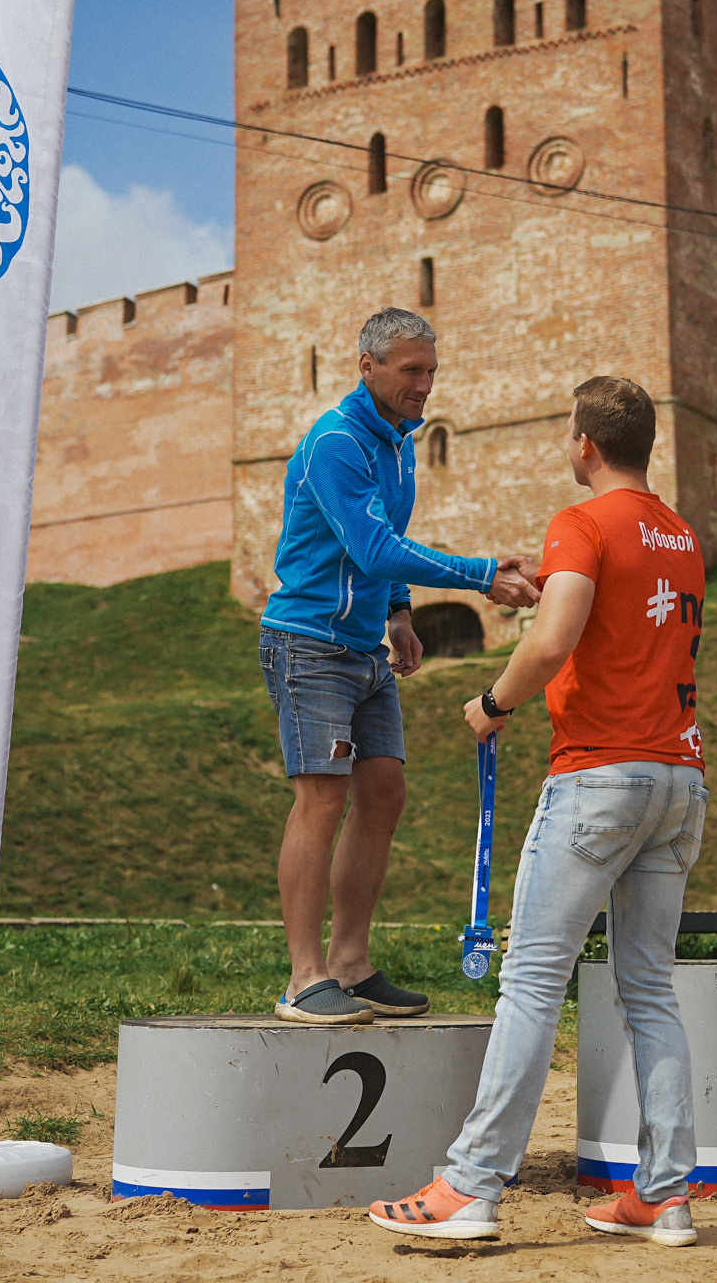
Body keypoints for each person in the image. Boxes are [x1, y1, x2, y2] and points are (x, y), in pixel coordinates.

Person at [370, 377, 710, 1245]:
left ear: (584, 443)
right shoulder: (682, 534)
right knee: (650, 994)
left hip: (598, 777)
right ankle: (664, 1194)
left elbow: (554, 637)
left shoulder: (582, 523)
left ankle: (471, 1186)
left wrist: (493, 702)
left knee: (530, 982)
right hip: (680, 779)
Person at [260, 308, 541, 1026]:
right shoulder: (337, 442)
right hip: (308, 644)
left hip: (363, 646)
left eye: (431, 372)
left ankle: (351, 966)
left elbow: (383, 544)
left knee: (383, 794)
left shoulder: (399, 444)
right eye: (411, 371)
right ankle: (302, 978)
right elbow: (373, 542)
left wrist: (398, 613)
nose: (424, 385)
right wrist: (480, 575)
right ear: (368, 367)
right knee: (321, 797)